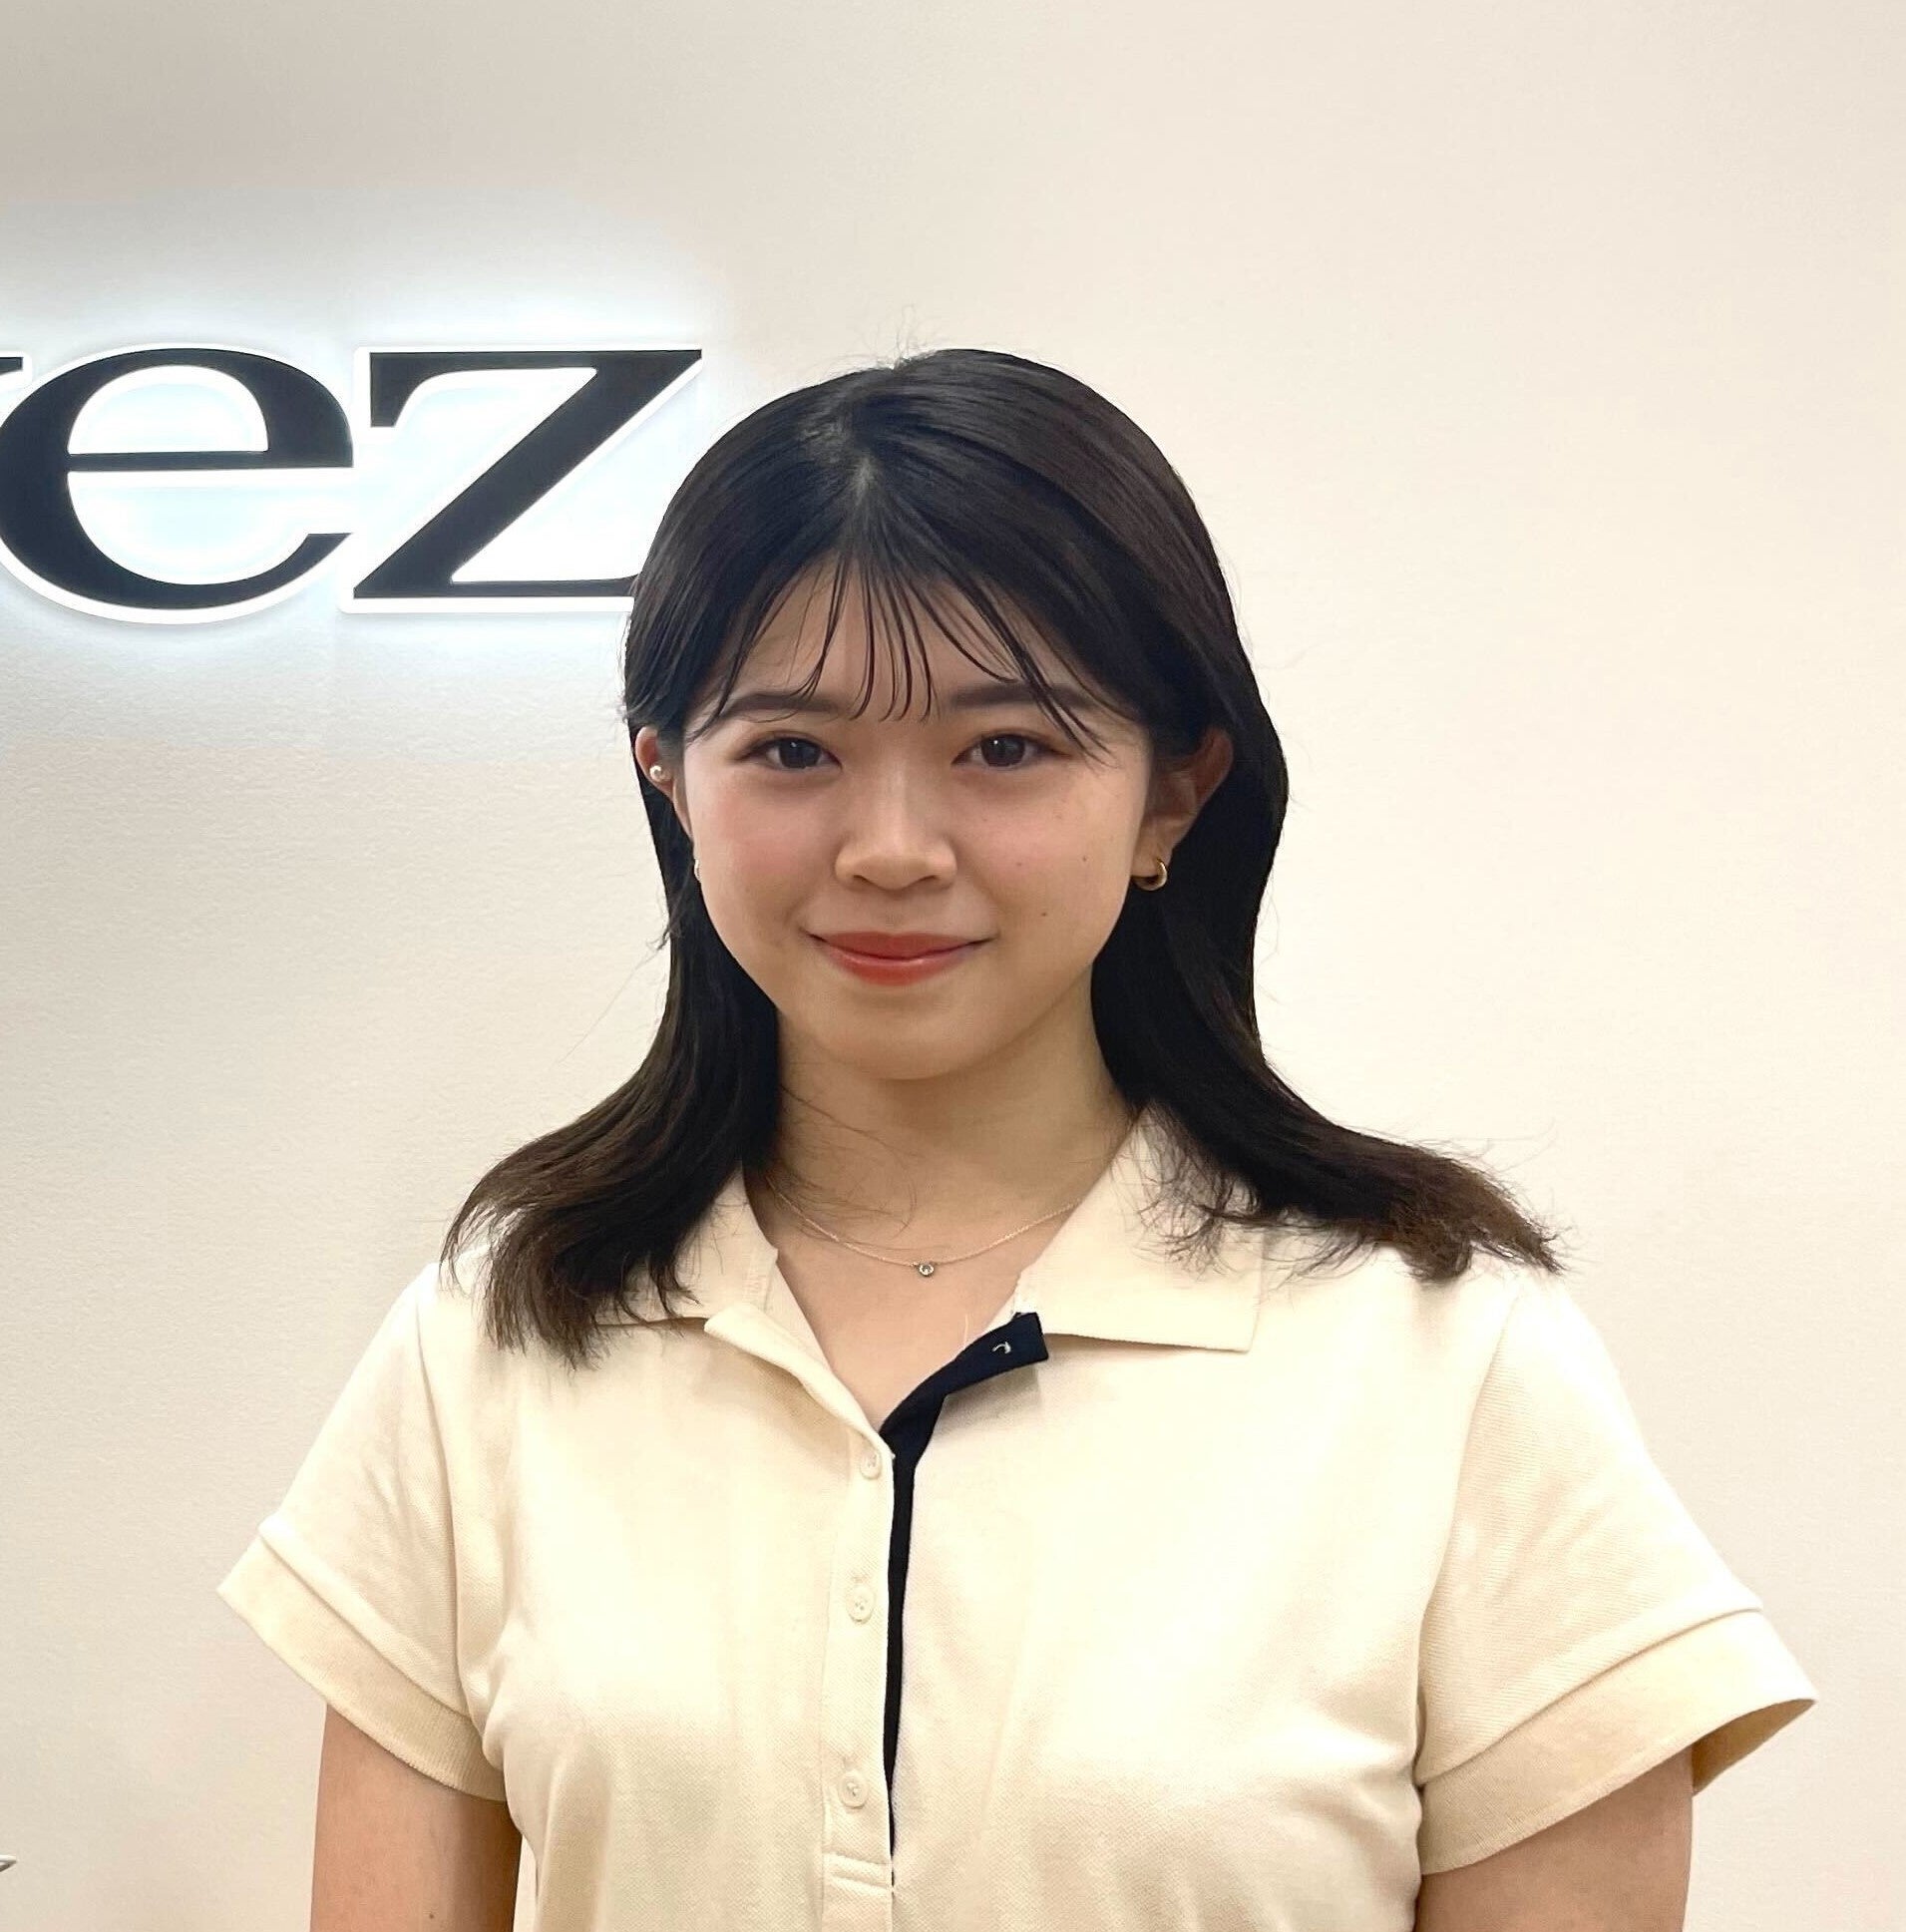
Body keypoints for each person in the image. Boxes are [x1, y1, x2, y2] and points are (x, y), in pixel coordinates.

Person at [217, 346, 1815, 1931]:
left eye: (1006, 747)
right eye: (792, 749)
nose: (892, 847)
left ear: (1173, 793)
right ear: (671, 781)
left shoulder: (1446, 1357)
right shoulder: (497, 1335)